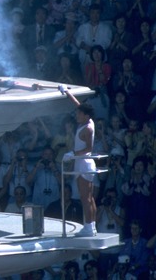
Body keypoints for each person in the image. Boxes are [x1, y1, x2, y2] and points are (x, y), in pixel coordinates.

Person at [61, 87, 98, 237]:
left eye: (79, 113)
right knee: (89, 197)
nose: (76, 115)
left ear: (85, 115)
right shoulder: (86, 120)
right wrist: (67, 92)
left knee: (85, 198)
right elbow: (78, 105)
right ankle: (92, 226)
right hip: (82, 164)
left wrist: (72, 154)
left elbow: (89, 148)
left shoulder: (88, 128)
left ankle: (88, 226)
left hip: (84, 164)